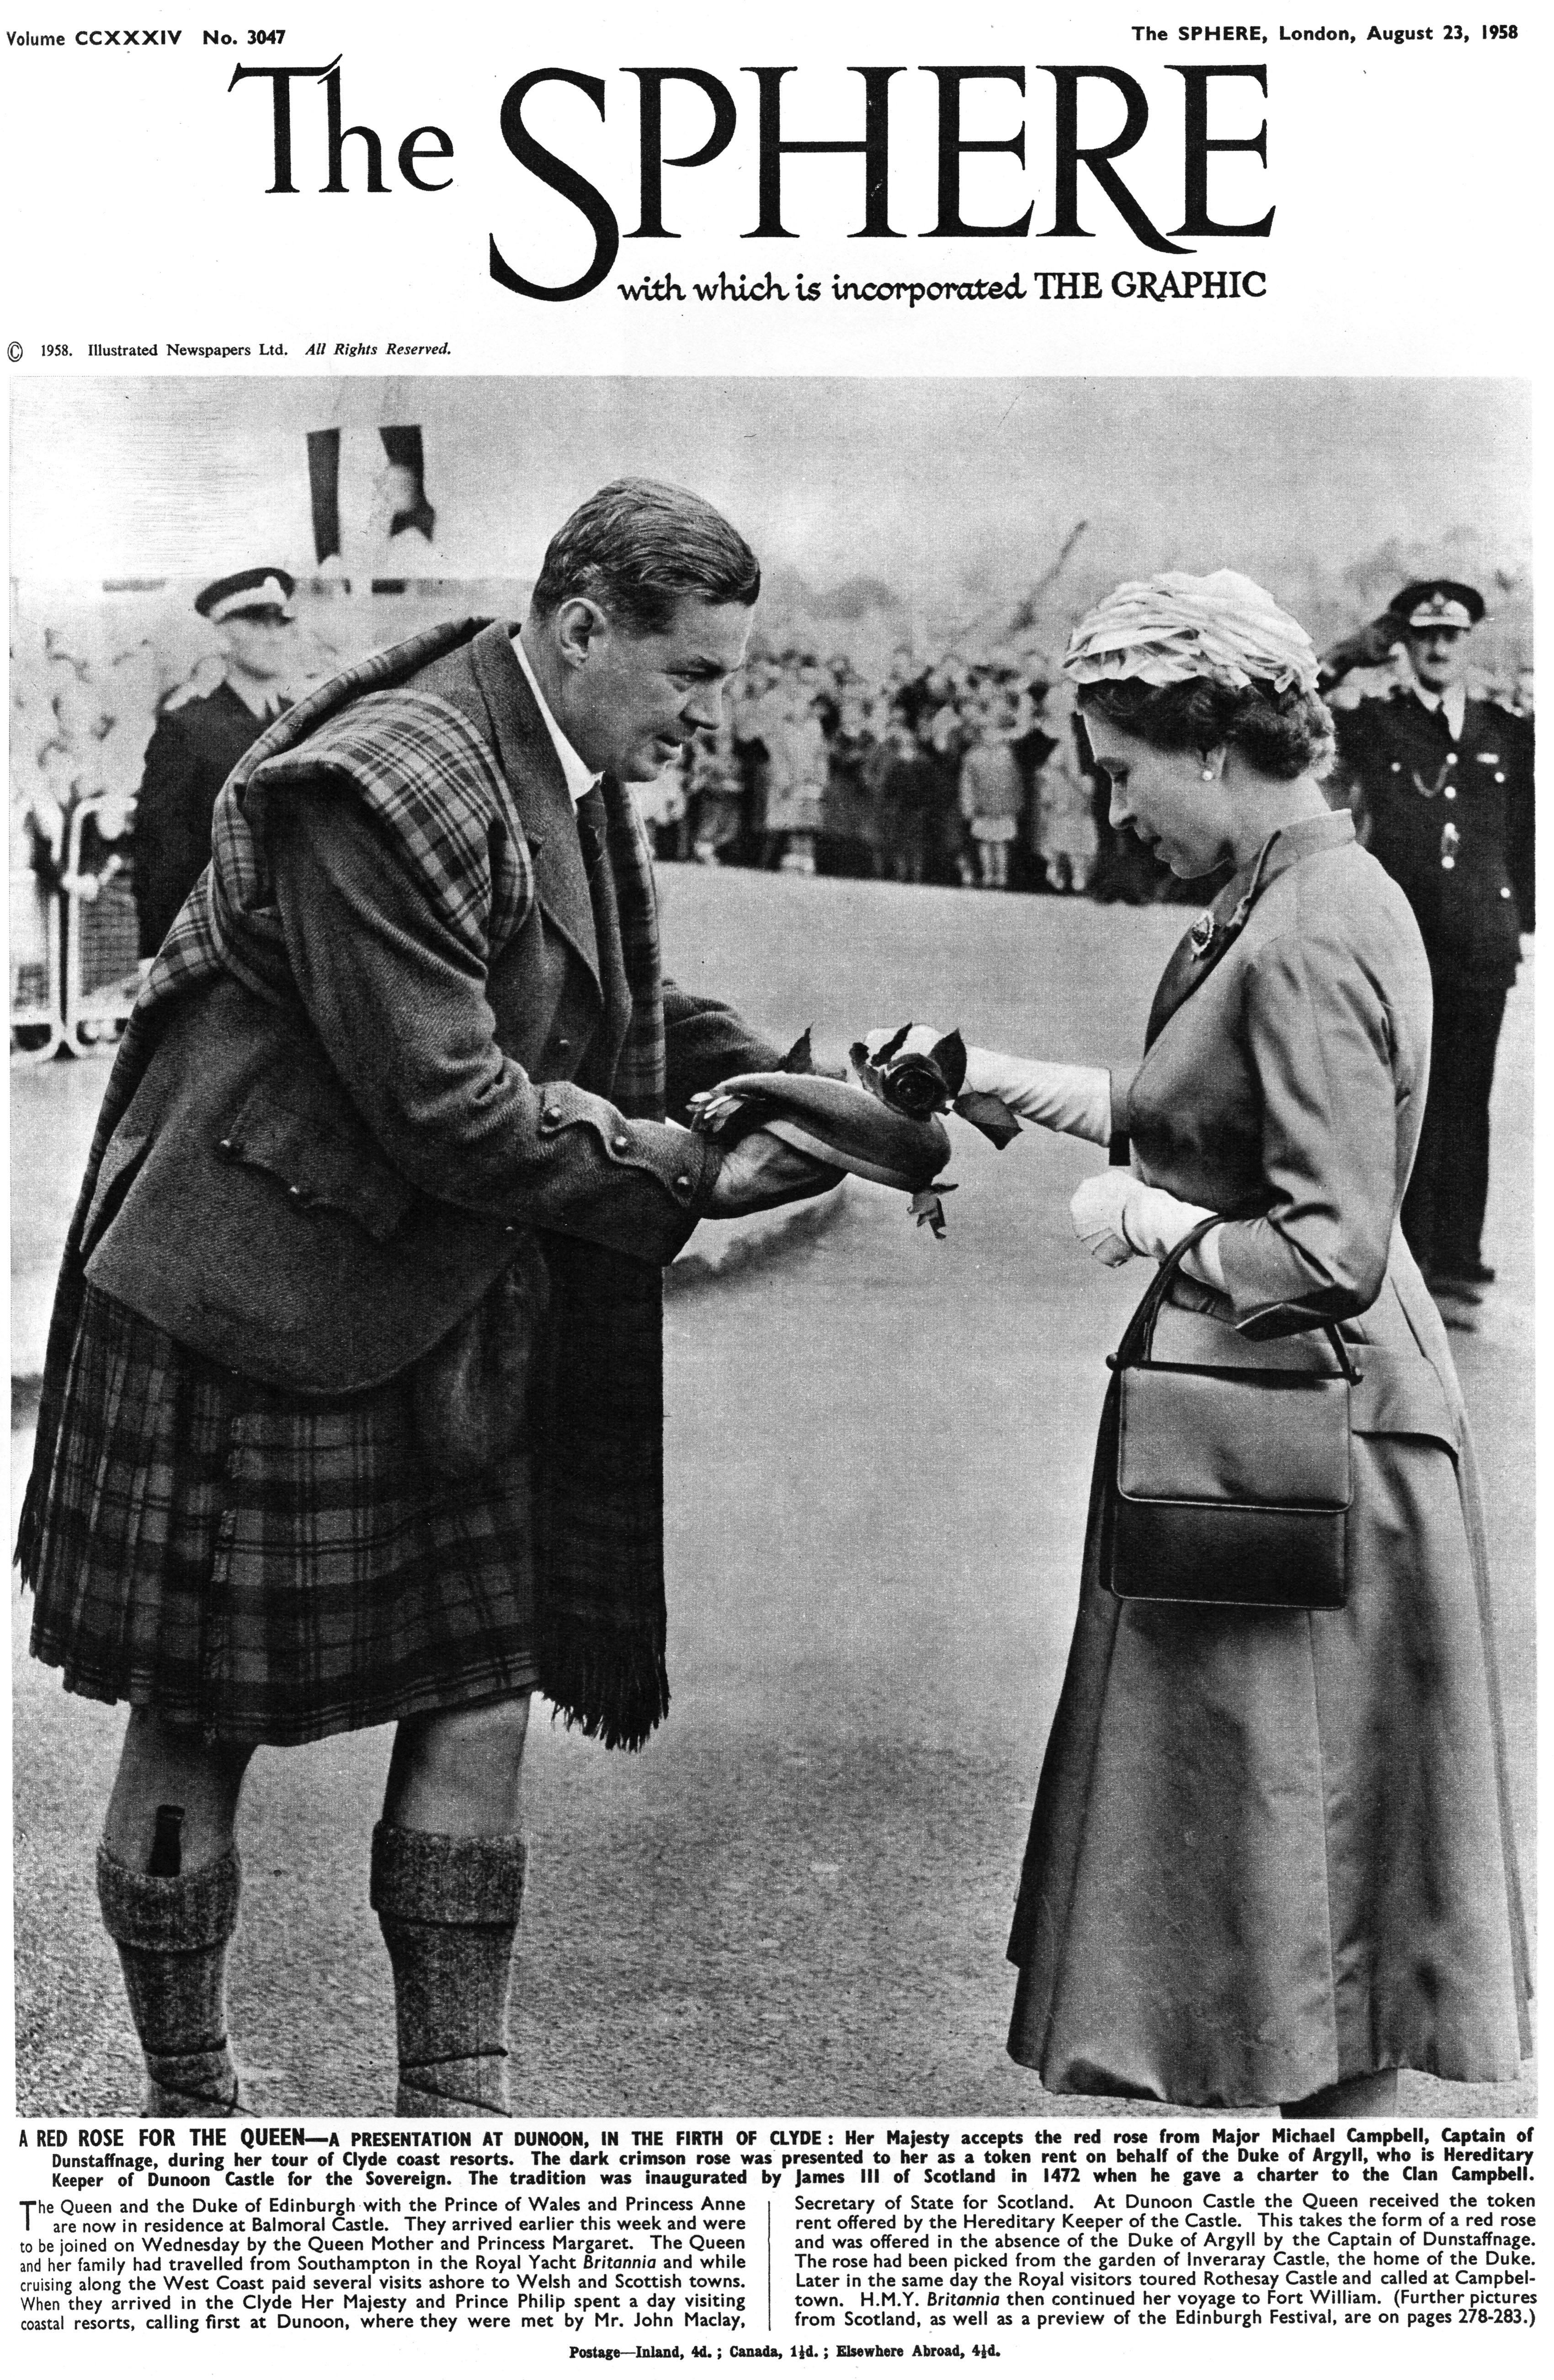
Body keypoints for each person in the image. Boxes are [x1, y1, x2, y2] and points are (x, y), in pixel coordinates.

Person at [18, 478, 838, 2119]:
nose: (711, 716)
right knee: (200, 1710)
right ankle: (192, 2101)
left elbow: (600, 984)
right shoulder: (389, 782)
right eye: (692, 675)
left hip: (417, 1266)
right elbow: (451, 1101)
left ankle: (458, 2110)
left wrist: (798, 1085)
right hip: (244, 1287)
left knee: (479, 1672)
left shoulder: (556, 748)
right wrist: (682, 1169)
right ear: (585, 626)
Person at [879, 570, 1531, 2114]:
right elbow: (1213, 1115)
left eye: (1120, 770)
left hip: (1306, 1437)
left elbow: (1329, 1240)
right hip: (1269, 1428)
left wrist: (1148, 1224)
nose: (1113, 806)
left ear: (1211, 749)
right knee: (1287, 1899)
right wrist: (1030, 1086)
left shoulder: (1310, 925)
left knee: (1305, 1901)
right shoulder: (1289, 892)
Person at [1322, 580, 1535, 1304]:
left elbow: (1525, 832)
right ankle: (1409, 1248)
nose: (1439, 648)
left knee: (1468, 1095)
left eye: (1451, 636)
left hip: (1482, 939)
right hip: (1404, 937)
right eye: (1422, 636)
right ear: (1403, 644)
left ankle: (1459, 1253)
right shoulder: (1378, 722)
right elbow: (1293, 712)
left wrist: (1520, 920)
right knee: (1407, 1094)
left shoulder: (1506, 728)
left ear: (1469, 642)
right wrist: (1353, 652)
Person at [132, 569, 298, 958]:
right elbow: (162, 852)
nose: (274, 635)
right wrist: (158, 952)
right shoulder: (187, 728)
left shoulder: (304, 722)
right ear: (222, 634)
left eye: (280, 622)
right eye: (257, 622)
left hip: (294, 941)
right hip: (220, 943)